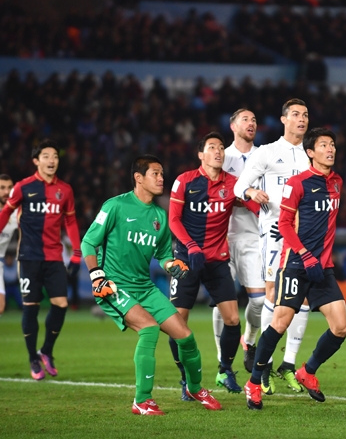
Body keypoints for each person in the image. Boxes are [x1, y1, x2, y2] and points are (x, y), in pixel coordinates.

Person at [81, 155, 220, 415]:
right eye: (155, 173)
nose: (161, 178)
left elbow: (164, 255)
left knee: (186, 337)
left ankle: (195, 388)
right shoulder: (115, 206)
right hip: (114, 285)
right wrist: (96, 276)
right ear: (138, 177)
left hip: (144, 287)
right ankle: (142, 400)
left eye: (162, 174)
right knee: (149, 329)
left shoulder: (159, 216)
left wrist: (172, 265)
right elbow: (88, 242)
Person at [244, 128, 346, 410]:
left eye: (332, 144)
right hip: (296, 264)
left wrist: (318, 259)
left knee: (341, 327)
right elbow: (285, 225)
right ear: (310, 152)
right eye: (324, 145)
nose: (330, 149)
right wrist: (305, 255)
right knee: (280, 323)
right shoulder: (297, 183)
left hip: (322, 267)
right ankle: (253, 383)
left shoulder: (337, 182)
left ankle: (307, 371)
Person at [168, 132, 259, 397]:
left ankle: (225, 370)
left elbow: (253, 206)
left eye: (221, 147)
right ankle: (186, 380)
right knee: (177, 323)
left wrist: (266, 209)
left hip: (217, 261)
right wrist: (191, 246)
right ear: (201, 155)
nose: (218, 151)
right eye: (212, 147)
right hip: (186, 259)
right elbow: (174, 220)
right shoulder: (184, 181)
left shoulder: (233, 183)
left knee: (232, 319)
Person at [234, 98, 311, 394]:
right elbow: (239, 186)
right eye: (296, 114)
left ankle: (288, 364)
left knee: (303, 297)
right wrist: (252, 191)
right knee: (272, 292)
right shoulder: (267, 152)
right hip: (276, 231)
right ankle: (262, 365)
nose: (301, 119)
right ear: (284, 120)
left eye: (305, 115)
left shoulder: (310, 156)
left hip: (305, 234)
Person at [0, 141, 82, 380]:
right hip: (29, 257)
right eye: (46, 156)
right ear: (36, 161)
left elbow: (70, 221)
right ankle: (32, 359)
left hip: (54, 257)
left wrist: (77, 252)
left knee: (61, 304)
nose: (52, 160)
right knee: (31, 307)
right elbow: (6, 212)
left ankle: (45, 350)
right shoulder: (23, 187)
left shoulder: (65, 190)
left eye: (55, 156)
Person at [212, 108, 263, 374]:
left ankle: (249, 341)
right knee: (222, 301)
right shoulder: (222, 156)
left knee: (259, 301)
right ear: (233, 126)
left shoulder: (264, 156)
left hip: (254, 236)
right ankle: (223, 361)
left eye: (254, 120)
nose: (251, 123)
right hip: (222, 236)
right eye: (245, 119)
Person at [0, 174, 19, 316]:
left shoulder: (16, 212)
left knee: (1, 306)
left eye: (9, 188)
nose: (6, 192)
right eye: (2, 188)